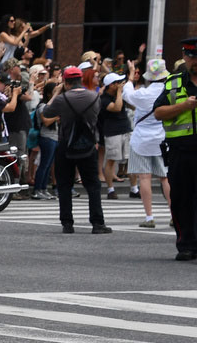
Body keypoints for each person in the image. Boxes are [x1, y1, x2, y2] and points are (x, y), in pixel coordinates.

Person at [42, 66, 109, 235]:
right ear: (80, 79)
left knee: (64, 184)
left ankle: (67, 223)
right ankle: (97, 223)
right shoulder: (94, 97)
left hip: (66, 145)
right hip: (88, 145)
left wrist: (56, 93)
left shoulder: (61, 99)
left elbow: (46, 112)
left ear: (65, 81)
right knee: (93, 185)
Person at [152, 37, 197, 259]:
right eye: (191, 56)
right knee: (181, 199)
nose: (194, 60)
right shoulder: (174, 82)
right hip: (180, 151)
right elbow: (158, 112)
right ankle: (186, 244)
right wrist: (183, 106)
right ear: (185, 57)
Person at [122, 59, 170, 227]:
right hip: (162, 138)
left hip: (141, 139)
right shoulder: (169, 92)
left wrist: (130, 76)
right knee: (165, 178)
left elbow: (126, 94)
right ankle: (174, 214)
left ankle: (149, 217)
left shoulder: (143, 94)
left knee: (144, 177)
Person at [98, 72, 132, 200]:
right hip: (112, 132)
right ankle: (110, 189)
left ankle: (134, 188)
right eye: (117, 83)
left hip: (125, 128)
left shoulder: (121, 95)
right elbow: (117, 108)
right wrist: (119, 92)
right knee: (111, 160)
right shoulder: (104, 99)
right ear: (111, 85)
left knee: (131, 160)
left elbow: (132, 105)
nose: (119, 85)